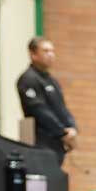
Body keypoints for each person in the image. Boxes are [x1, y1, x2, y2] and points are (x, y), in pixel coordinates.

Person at [16, 36, 78, 165]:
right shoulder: (28, 79)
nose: (50, 55)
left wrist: (72, 128)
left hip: (57, 143)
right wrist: (62, 132)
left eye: (52, 51)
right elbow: (39, 111)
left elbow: (61, 108)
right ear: (33, 54)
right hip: (40, 142)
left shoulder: (51, 80)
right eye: (45, 51)